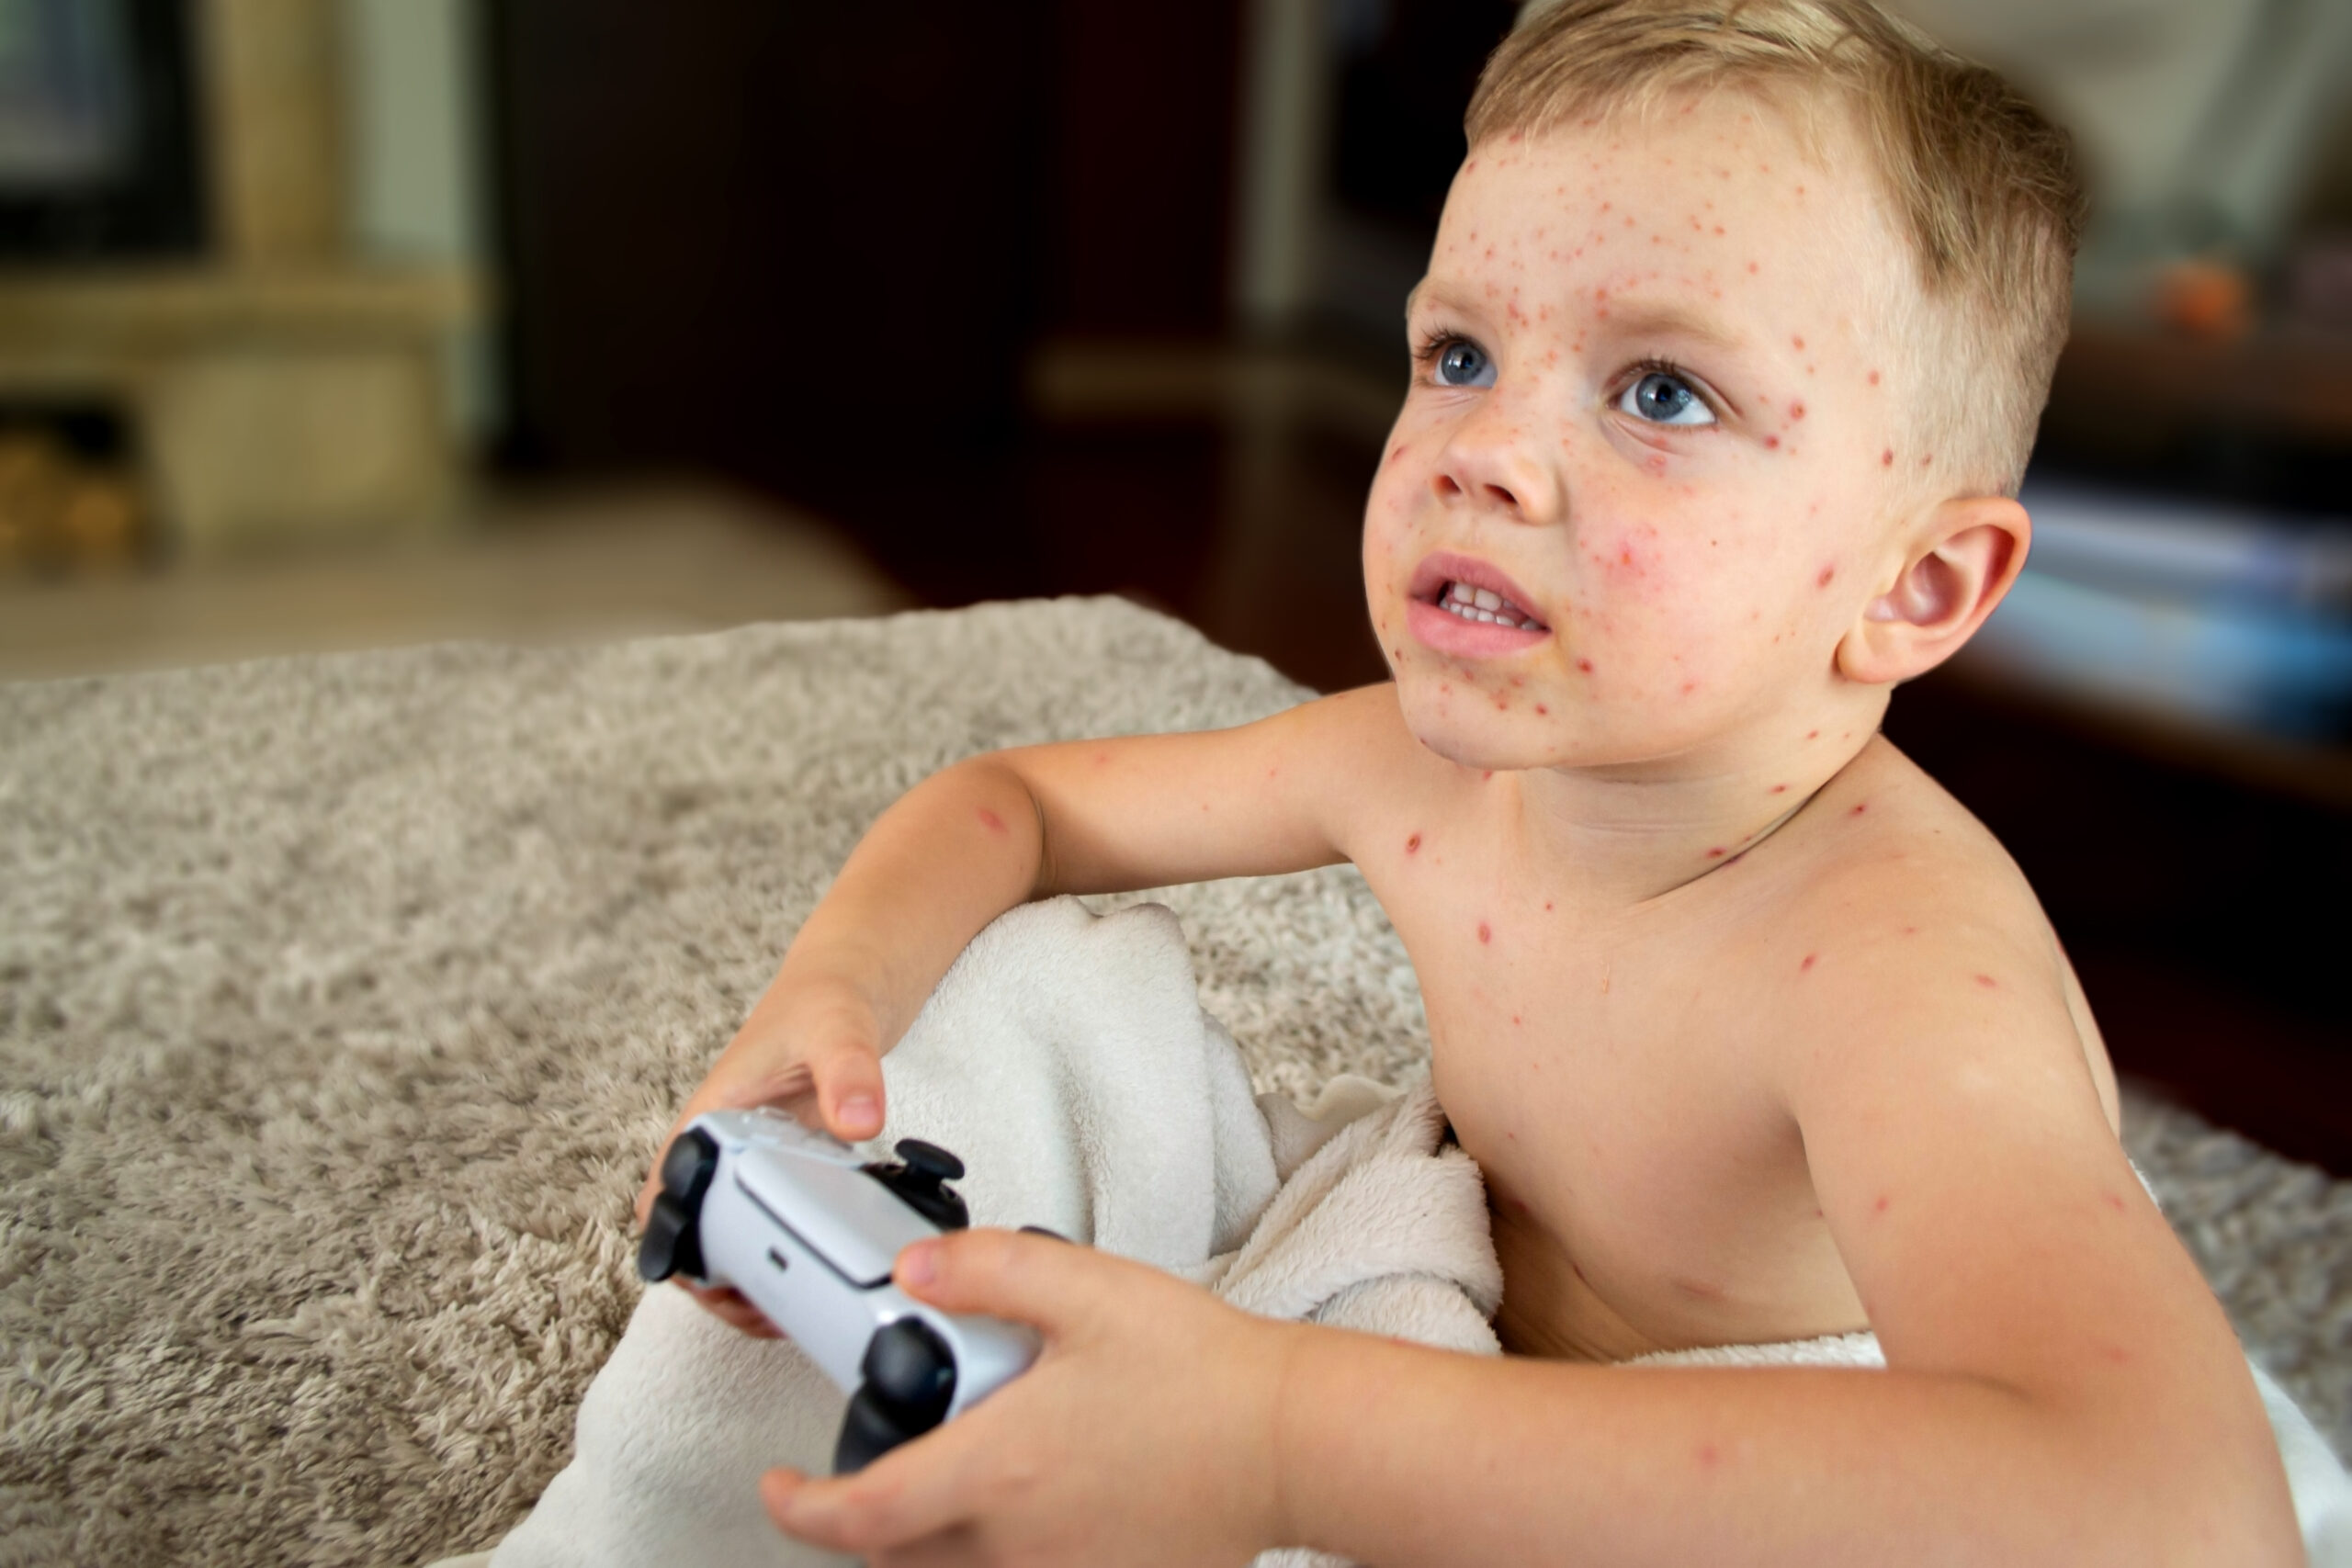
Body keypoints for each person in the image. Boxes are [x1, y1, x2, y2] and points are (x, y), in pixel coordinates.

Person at [640, 2, 2302, 1560]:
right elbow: (1018, 804)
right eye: (1456, 355)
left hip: (1786, 1479)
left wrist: (1280, 1437)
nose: (1478, 449)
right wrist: (832, 995)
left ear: (1911, 589)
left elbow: (2167, 1505)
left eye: (1661, 390)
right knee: (1027, 988)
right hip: (1444, 1309)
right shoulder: (1417, 770)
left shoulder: (1895, 963)